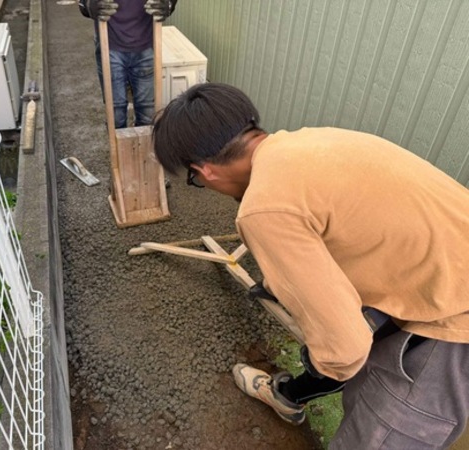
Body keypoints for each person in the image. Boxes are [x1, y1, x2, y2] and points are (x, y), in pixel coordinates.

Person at [152, 82, 469, 449]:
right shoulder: (315, 141)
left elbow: (346, 350)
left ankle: (292, 395)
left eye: (194, 181)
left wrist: (321, 363)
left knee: (376, 433)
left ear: (203, 171)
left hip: (454, 322)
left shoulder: (263, 207)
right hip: (445, 274)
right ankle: (290, 397)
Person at [78, 0, 178, 129]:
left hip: (146, 44)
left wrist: (169, 4)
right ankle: (119, 148)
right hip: (109, 44)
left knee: (147, 117)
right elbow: (83, 4)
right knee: (115, 116)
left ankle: (144, 149)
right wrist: (89, 5)